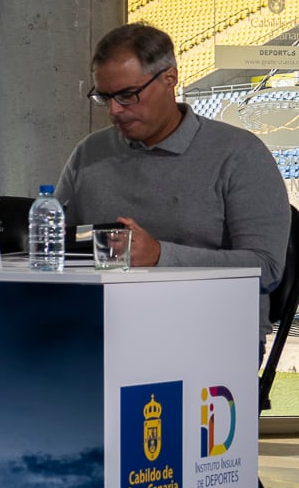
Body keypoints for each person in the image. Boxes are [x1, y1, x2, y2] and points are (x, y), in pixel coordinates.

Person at [56, 22, 285, 298]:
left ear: (170, 79)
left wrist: (160, 256)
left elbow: (267, 268)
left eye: (128, 95)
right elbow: (57, 241)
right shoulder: (90, 152)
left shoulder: (239, 154)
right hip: (100, 321)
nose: (114, 110)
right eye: (105, 97)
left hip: (211, 326)